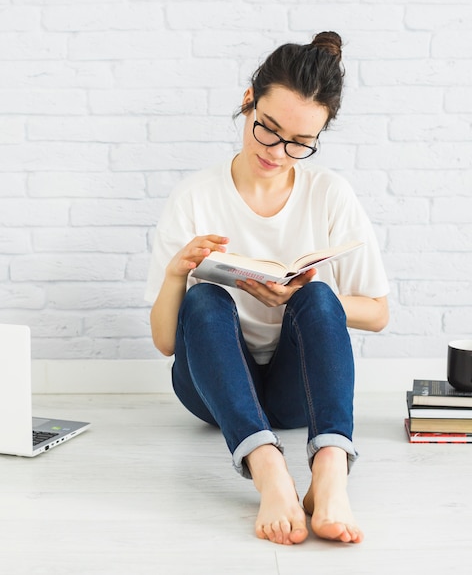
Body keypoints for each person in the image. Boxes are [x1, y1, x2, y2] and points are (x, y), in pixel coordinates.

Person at [144, 31, 389, 545]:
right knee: (203, 297)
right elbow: (167, 343)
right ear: (247, 101)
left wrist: (298, 294)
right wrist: (175, 273)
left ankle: (329, 473)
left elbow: (377, 312)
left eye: (300, 143)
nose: (279, 153)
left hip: (294, 386)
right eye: (267, 131)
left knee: (320, 293)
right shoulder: (194, 196)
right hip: (209, 387)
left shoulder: (330, 193)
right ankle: (269, 470)